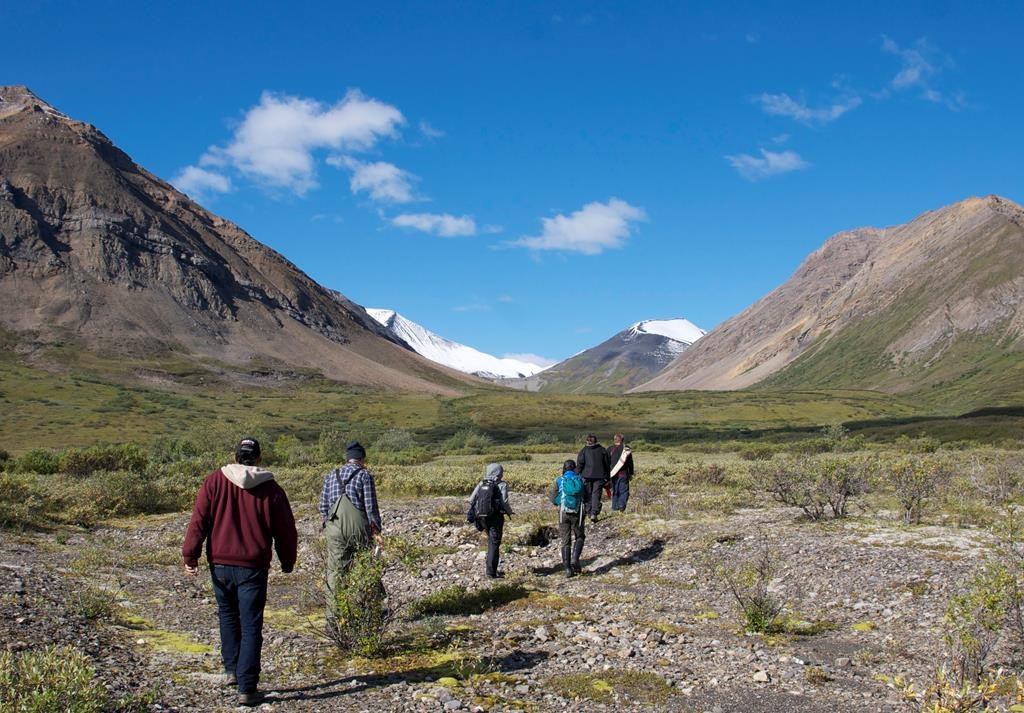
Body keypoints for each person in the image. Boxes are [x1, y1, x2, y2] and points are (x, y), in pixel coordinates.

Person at [182, 437, 297, 708]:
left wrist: (191, 555)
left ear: (236, 456)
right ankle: (247, 687)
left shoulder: (215, 481)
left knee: (228, 615)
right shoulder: (271, 488)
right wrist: (287, 560)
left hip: (220, 565)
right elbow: (285, 531)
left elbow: (199, 520)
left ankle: (232, 670)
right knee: (251, 624)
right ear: (258, 459)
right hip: (253, 567)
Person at [319, 440, 383, 612]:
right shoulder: (364, 475)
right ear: (362, 458)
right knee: (365, 568)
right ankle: (368, 611)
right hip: (358, 529)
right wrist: (376, 530)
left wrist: (328, 526)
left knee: (335, 573)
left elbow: (323, 507)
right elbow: (370, 507)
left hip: (334, 530)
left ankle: (334, 617)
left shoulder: (331, 475)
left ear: (348, 458)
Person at [468, 463, 514, 578]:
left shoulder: (481, 483)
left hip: (482, 518)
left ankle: (491, 569)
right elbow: (504, 502)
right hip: (496, 518)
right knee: (494, 544)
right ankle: (491, 573)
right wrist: (509, 512)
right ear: (498, 472)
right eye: (501, 471)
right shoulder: (502, 484)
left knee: (491, 541)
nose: (502, 473)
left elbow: (471, 500)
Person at [551, 459, 585, 577]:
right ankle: (575, 559)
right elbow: (587, 496)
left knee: (565, 540)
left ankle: (567, 569)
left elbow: (553, 498)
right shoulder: (580, 479)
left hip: (563, 513)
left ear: (564, 468)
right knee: (579, 536)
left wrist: (560, 503)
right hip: (578, 512)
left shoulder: (559, 480)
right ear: (574, 468)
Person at [577, 434, 610, 523]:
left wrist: (577, 474)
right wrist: (607, 477)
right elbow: (607, 465)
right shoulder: (603, 450)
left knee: (588, 495)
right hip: (600, 476)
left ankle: (589, 512)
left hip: (586, 476)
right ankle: (594, 513)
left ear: (587, 441)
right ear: (596, 441)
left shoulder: (583, 451)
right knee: (596, 495)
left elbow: (580, 464)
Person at [607, 433, 635, 512]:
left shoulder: (609, 449)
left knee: (615, 491)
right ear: (622, 440)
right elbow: (630, 463)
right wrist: (631, 473)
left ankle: (615, 507)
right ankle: (621, 505)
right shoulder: (626, 449)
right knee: (624, 491)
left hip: (612, 474)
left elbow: (606, 462)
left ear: (614, 440)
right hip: (624, 474)